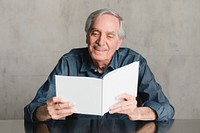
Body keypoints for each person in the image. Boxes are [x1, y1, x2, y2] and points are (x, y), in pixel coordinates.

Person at [24, 9, 175, 122]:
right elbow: (31, 110)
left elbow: (167, 109)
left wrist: (138, 113)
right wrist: (45, 111)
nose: (101, 42)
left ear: (119, 42)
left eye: (110, 36)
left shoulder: (134, 62)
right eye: (95, 33)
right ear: (87, 36)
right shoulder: (69, 62)